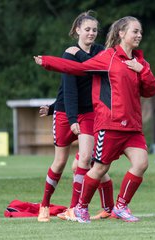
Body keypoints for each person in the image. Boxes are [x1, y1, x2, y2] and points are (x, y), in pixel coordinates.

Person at [34, 16, 155, 223]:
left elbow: (151, 90)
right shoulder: (108, 57)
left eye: (140, 32)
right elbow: (77, 69)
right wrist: (48, 62)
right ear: (121, 34)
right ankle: (80, 208)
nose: (139, 35)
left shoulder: (140, 62)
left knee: (141, 163)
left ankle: (120, 207)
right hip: (110, 125)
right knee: (99, 168)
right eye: (135, 31)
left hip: (133, 126)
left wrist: (142, 70)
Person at [37, 11, 115, 222]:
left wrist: (79, 54)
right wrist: (66, 116)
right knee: (60, 162)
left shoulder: (98, 51)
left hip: (89, 113)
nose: (91, 33)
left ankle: (74, 208)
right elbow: (69, 90)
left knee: (87, 159)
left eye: (94, 30)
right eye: (87, 29)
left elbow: (95, 68)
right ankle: (44, 204)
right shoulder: (68, 55)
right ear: (77, 30)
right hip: (66, 112)